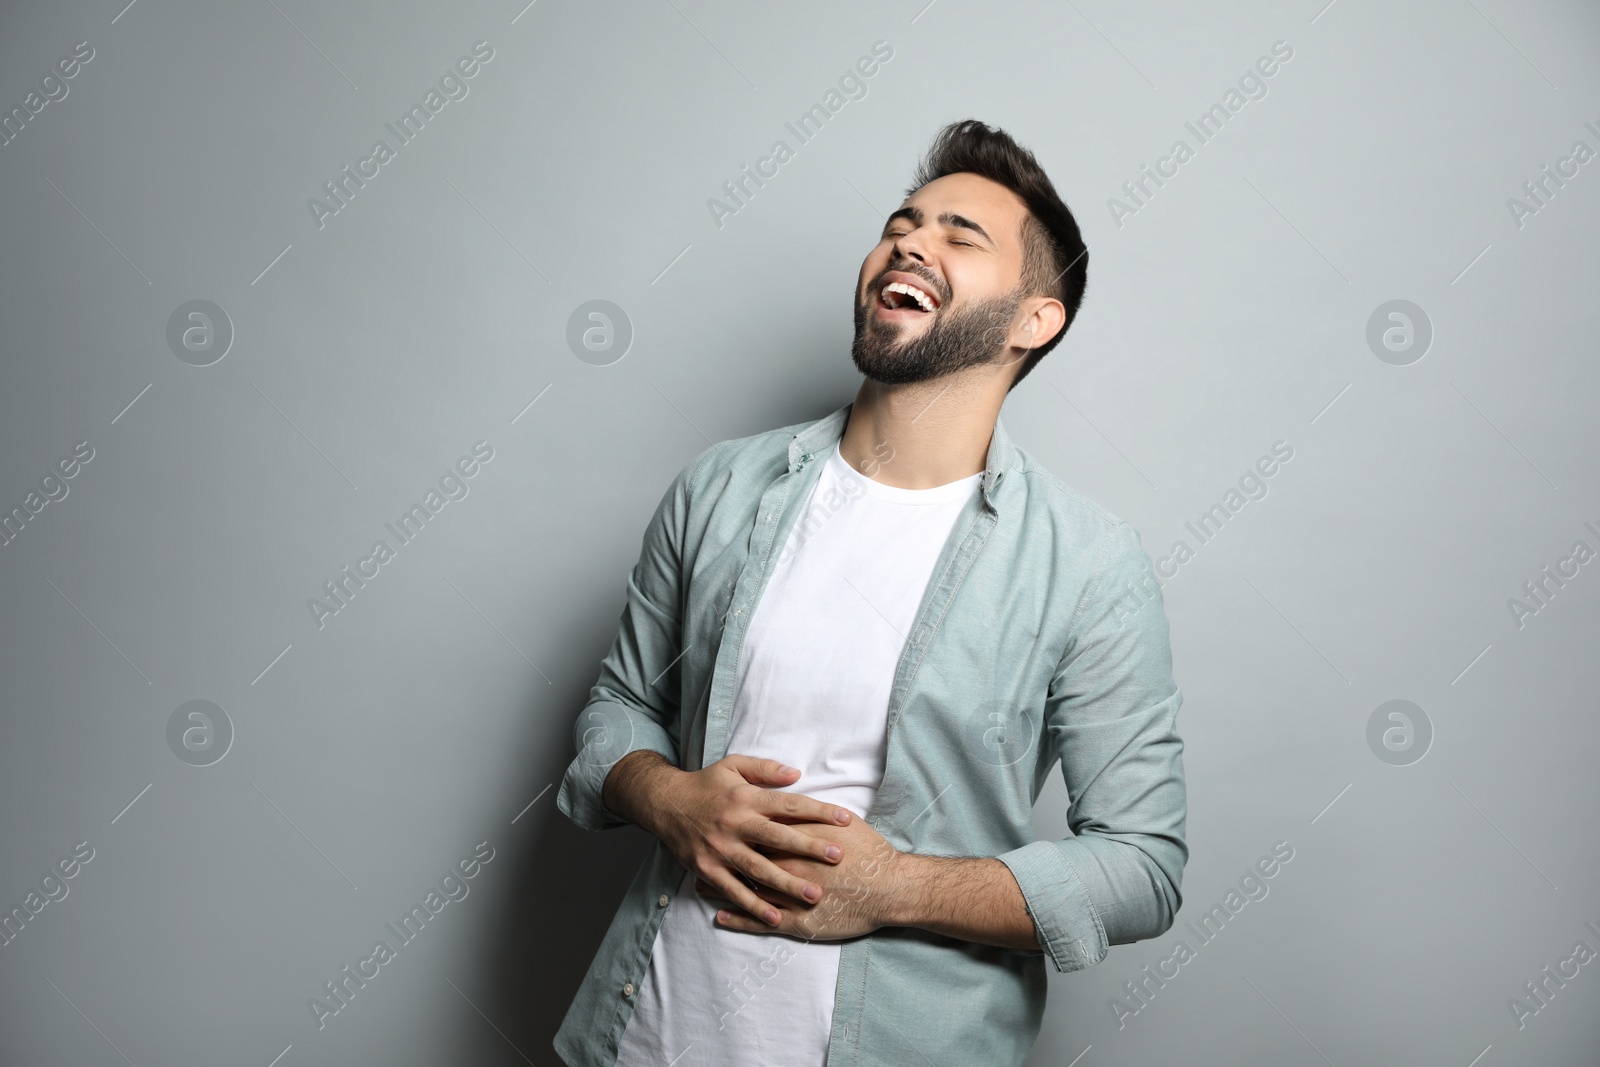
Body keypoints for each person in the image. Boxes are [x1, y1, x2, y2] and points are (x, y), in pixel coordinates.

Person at [553, 119, 1187, 1067]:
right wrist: (670, 798)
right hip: (639, 1039)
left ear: (1032, 318)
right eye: (903, 220)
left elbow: (1142, 863)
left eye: (960, 236)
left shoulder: (1090, 565)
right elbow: (622, 705)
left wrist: (896, 887)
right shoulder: (719, 488)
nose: (910, 240)